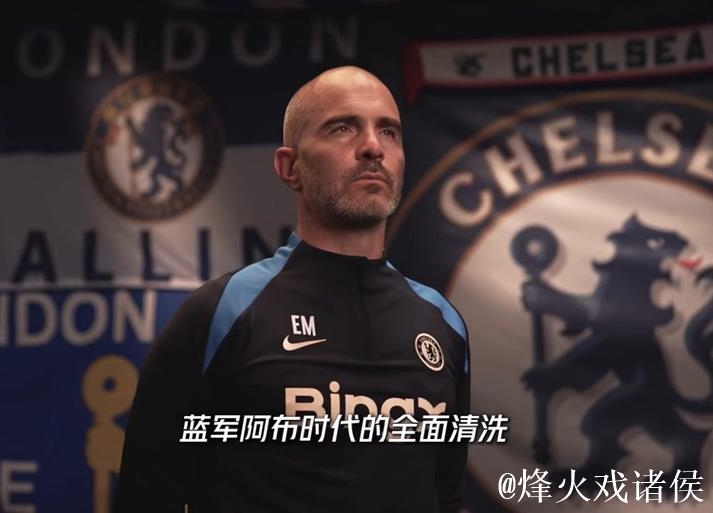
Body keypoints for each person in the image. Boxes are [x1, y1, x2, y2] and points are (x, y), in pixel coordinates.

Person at [114, 66, 470, 513]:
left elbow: (446, 496)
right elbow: (146, 496)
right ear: (290, 167)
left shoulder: (443, 324)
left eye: (389, 132)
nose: (372, 147)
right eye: (343, 128)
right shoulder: (222, 313)